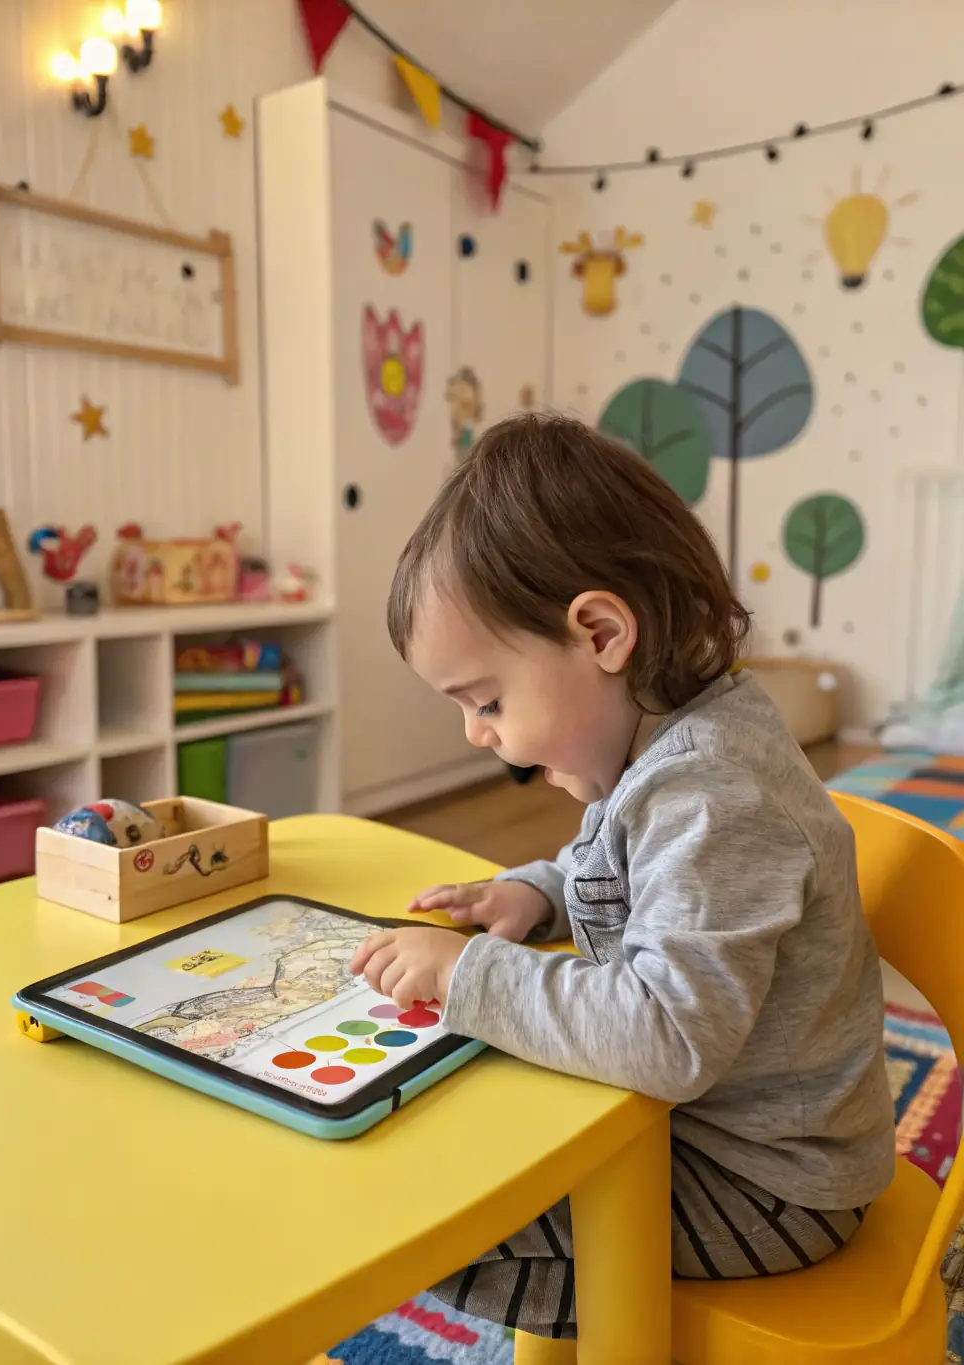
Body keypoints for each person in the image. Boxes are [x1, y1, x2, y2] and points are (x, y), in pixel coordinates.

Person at [350, 414, 895, 1341]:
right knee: (474, 1148)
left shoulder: (716, 794)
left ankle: (635, 1328)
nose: (476, 734)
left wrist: (464, 975)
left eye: (487, 700)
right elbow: (619, 868)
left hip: (767, 1182)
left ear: (601, 632)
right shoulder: (662, 744)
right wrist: (537, 890)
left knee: (426, 1221)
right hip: (705, 1135)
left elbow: (666, 1034)